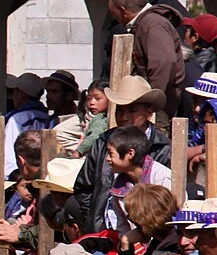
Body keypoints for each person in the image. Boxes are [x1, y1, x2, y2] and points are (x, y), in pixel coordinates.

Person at [72, 75, 173, 233]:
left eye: (132, 110)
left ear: (149, 112)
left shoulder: (163, 148)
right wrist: (94, 220)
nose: (124, 117)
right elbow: (83, 187)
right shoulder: (103, 142)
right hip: (103, 232)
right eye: (120, 110)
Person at [107, 0, 185, 116]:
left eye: (111, 7)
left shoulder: (153, 25)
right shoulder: (143, 24)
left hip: (153, 112)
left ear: (123, 10)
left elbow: (164, 62)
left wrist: (151, 104)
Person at [3, 72, 53, 175]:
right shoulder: (47, 116)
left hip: (20, 175)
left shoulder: (16, 118)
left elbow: (9, 157)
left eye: (15, 91)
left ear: (21, 94)